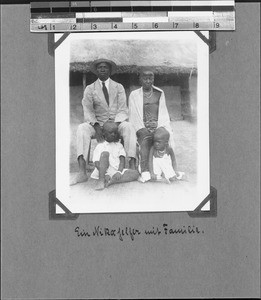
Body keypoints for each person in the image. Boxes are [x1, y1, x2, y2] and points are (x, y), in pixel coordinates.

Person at [73, 58, 137, 184]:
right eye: (100, 67)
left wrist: (115, 124)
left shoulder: (119, 87)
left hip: (115, 122)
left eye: (105, 67)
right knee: (82, 128)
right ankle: (82, 171)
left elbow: (123, 109)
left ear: (110, 70)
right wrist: (96, 126)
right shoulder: (90, 89)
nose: (102, 69)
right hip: (98, 123)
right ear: (96, 71)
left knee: (129, 127)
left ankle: (132, 165)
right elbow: (88, 110)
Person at [128, 68, 176, 182]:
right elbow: (133, 115)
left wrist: (159, 127)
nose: (148, 81)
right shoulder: (134, 95)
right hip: (141, 125)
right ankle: (145, 170)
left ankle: (166, 168)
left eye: (150, 78)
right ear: (140, 80)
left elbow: (163, 113)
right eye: (145, 78)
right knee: (146, 137)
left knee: (164, 135)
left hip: (157, 124)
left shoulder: (159, 93)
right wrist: (144, 127)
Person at [90, 121, 139, 190]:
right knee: (105, 154)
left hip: (115, 171)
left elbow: (122, 161)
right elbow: (97, 163)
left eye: (115, 133)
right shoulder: (100, 146)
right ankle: (101, 180)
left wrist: (119, 172)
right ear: (104, 133)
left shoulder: (119, 145)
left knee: (135, 174)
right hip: (103, 172)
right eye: (110, 133)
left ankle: (112, 181)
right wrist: (105, 174)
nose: (113, 135)